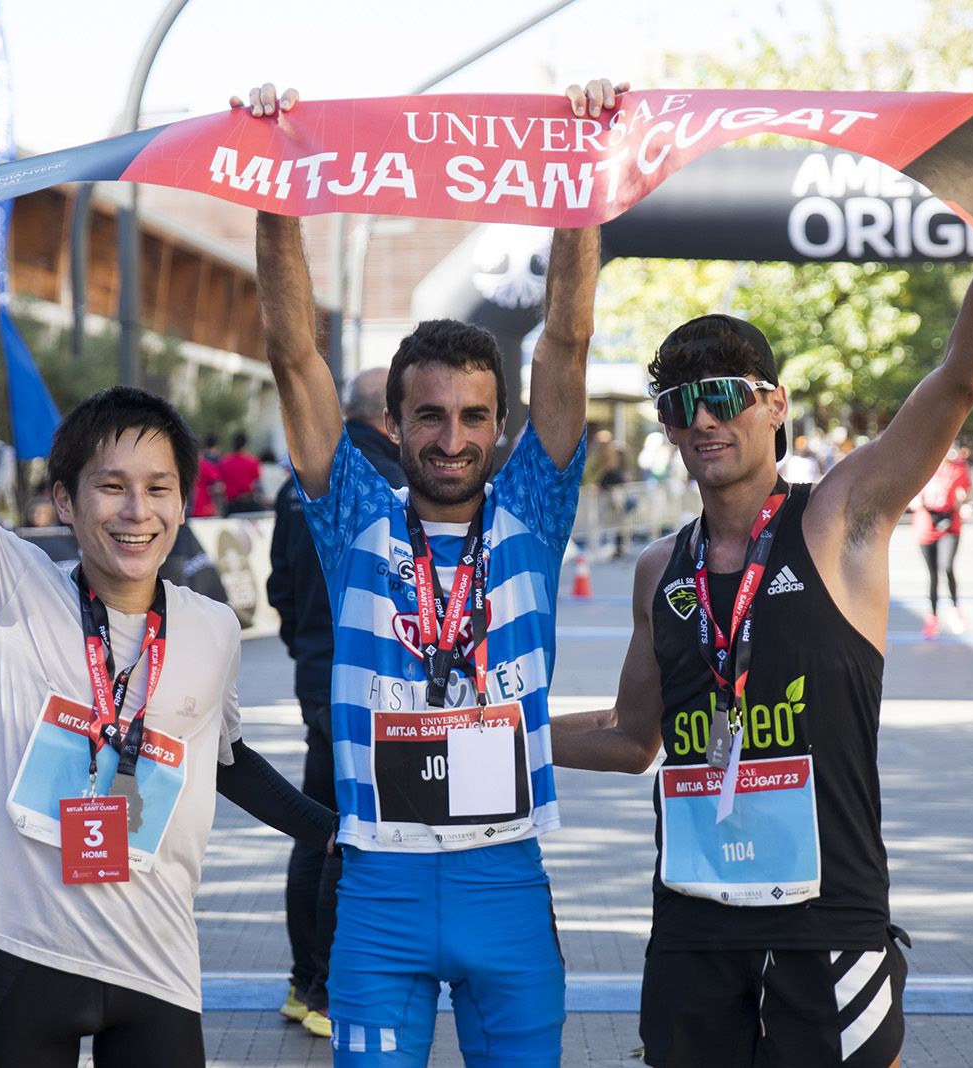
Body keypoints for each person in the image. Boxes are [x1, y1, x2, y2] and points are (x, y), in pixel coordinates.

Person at [548, 86, 973, 1068]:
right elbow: (629, 738)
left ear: (773, 404)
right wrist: (494, 737)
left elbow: (961, 377)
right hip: (693, 928)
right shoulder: (663, 570)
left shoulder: (840, 518)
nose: (703, 419)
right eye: (680, 404)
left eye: (726, 397)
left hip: (829, 927)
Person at [0, 219, 335, 1068]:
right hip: (31, 956)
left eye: (157, 488)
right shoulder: (14, 585)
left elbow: (222, 757)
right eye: (110, 487)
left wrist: (333, 831)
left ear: (182, 501)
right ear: (65, 501)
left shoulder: (210, 627)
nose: (135, 511)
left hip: (160, 968)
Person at [241, 74, 620, 1068]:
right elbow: (293, 359)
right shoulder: (351, 515)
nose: (451, 439)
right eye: (429, 416)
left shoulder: (533, 511)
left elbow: (568, 340)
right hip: (380, 894)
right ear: (394, 425)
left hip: (506, 884)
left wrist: (579, 176)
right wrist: (272, 188)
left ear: (500, 427)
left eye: (472, 417)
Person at [266, 367, 405, 1039]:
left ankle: (302, 982)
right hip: (365, 681)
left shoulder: (301, 482)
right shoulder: (390, 483)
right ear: (391, 419)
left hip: (315, 673)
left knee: (314, 824)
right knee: (352, 834)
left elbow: (278, 587)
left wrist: (305, 652)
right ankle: (326, 989)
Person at [910, 446, 973, 638]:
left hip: (949, 525)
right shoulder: (922, 468)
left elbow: (966, 494)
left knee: (947, 566)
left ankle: (955, 609)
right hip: (926, 526)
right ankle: (933, 617)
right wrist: (915, 502)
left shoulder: (958, 469)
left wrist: (964, 506)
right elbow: (911, 498)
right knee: (933, 575)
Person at [219, 430, 264, 513]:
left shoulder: (224, 462)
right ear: (245, 444)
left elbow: (221, 485)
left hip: (231, 505)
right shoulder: (253, 461)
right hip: (249, 504)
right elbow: (258, 485)